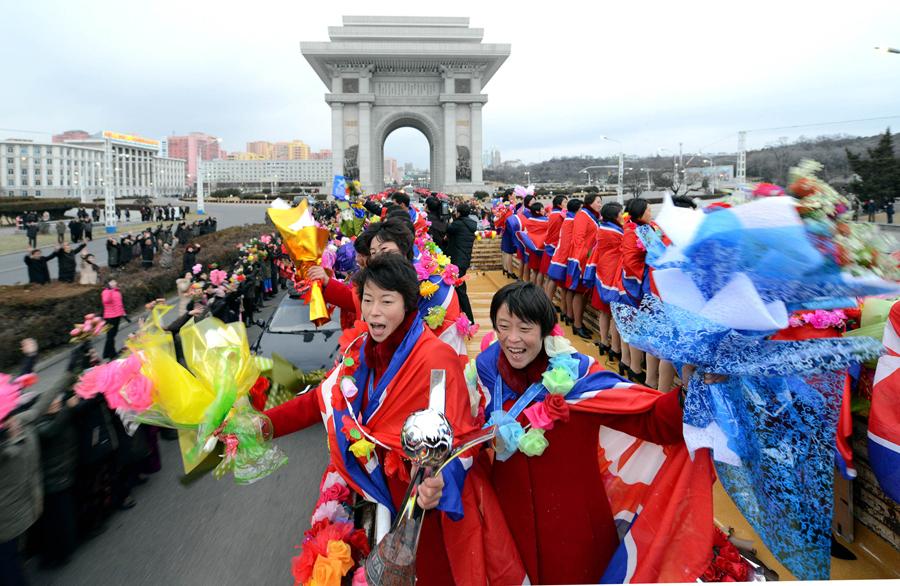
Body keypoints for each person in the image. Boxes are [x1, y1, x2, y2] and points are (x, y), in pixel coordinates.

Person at [265, 254, 491, 585]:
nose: (373, 311)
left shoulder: (435, 359)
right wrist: (264, 425)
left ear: (408, 305)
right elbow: (321, 400)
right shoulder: (360, 350)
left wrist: (441, 483)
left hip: (419, 508)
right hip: (371, 490)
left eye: (387, 301)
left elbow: (460, 439)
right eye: (368, 300)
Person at [474, 281, 708, 584]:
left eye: (525, 328)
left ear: (545, 330)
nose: (512, 339)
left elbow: (650, 420)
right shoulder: (485, 371)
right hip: (509, 519)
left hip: (575, 527)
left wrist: (688, 390)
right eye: (503, 326)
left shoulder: (581, 377)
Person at [615, 198, 676, 391]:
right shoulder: (642, 231)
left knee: (633, 329)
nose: (651, 214)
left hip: (628, 285)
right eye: (649, 210)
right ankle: (645, 376)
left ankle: (631, 366)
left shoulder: (630, 228)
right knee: (648, 334)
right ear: (641, 213)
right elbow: (659, 255)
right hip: (643, 288)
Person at [587, 202, 625, 365]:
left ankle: (604, 341)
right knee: (616, 314)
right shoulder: (616, 233)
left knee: (604, 312)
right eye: (621, 214)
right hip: (612, 275)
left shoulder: (602, 228)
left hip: (602, 272)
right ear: (615, 216)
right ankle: (615, 348)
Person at [566, 193, 601, 340]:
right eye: (598, 202)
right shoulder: (583, 216)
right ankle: (578, 325)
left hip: (587, 259)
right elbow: (578, 239)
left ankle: (577, 322)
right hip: (582, 261)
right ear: (590, 203)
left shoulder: (591, 216)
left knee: (581, 293)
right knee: (580, 292)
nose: (600, 204)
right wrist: (582, 260)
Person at [444, 202, 478, 322]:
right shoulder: (471, 224)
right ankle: (462, 316)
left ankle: (469, 320)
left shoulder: (457, 224)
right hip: (463, 260)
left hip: (457, 261)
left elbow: (447, 229)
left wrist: (449, 219)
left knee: (460, 290)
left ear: (458, 213)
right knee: (459, 288)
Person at [101, 279, 125, 360]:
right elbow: (106, 300)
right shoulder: (105, 291)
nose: (115, 283)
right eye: (112, 282)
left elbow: (119, 304)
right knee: (110, 336)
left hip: (117, 316)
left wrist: (123, 312)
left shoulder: (117, 291)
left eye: (115, 281)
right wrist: (110, 289)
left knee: (112, 335)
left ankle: (107, 353)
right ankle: (111, 354)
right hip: (110, 317)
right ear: (109, 283)